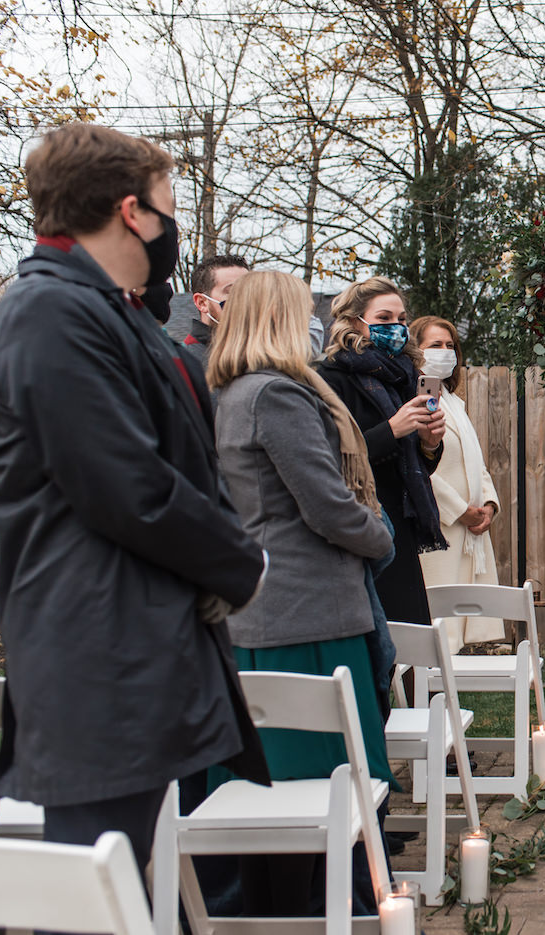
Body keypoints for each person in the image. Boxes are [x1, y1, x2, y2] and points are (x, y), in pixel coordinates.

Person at [0, 123, 268, 873]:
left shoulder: (115, 308)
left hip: (141, 644)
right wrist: (240, 563)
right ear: (130, 211)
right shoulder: (46, 310)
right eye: (167, 204)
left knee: (133, 887)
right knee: (93, 891)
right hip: (96, 650)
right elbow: (125, 484)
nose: (171, 223)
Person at [208, 269, 397, 914]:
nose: (315, 323)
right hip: (306, 616)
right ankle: (344, 910)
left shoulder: (233, 391)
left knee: (267, 786)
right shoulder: (276, 396)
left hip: (260, 613)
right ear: (280, 320)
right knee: (329, 780)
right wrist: (379, 535)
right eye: (304, 313)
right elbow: (326, 504)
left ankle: (270, 911)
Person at [318, 277, 447, 626]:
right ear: (355, 322)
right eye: (385, 319)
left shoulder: (406, 376)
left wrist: (430, 443)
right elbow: (332, 453)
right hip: (362, 521)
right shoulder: (331, 377)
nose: (397, 328)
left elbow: (417, 465)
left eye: (402, 319)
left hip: (401, 525)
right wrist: (393, 429)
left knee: (412, 646)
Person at [408, 315, 505, 650]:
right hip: (440, 527)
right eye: (435, 345)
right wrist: (461, 510)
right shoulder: (412, 399)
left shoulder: (451, 400)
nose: (446, 352)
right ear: (416, 351)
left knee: (458, 631)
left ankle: (448, 700)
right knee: (436, 629)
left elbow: (473, 460)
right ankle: (425, 698)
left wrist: (488, 505)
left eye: (450, 346)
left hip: (469, 531)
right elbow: (419, 463)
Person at [183, 254, 251, 368]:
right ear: (202, 302)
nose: (245, 299)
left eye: (249, 291)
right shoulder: (187, 363)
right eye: (232, 291)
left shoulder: (260, 355)